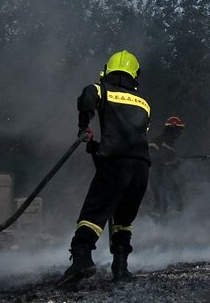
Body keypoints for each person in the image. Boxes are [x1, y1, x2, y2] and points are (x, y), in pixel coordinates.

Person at [57, 50, 151, 286]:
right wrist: (97, 148)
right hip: (141, 166)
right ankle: (121, 268)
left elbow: (88, 96)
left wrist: (83, 126)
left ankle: (81, 259)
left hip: (116, 163)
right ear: (134, 75)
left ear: (108, 70)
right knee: (123, 218)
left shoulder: (101, 89)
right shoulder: (144, 103)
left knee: (94, 212)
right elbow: (129, 138)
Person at [148, 116, 185, 219]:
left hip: (167, 177)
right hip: (157, 176)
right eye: (179, 130)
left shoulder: (171, 147)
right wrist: (165, 160)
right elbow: (151, 157)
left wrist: (175, 164)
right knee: (161, 204)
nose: (179, 134)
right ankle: (154, 227)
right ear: (172, 129)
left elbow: (170, 165)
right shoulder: (157, 141)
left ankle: (170, 227)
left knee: (176, 202)